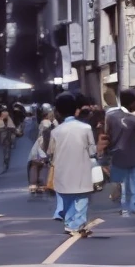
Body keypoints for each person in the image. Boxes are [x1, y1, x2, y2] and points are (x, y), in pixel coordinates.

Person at [49, 93, 98, 237]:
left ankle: (69, 223)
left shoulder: (55, 131)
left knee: (67, 196)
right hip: (82, 167)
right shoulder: (86, 128)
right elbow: (92, 150)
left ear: (58, 111)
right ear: (76, 110)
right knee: (82, 197)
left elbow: (51, 152)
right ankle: (78, 223)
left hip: (62, 169)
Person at [100, 88, 135, 217]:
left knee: (122, 182)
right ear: (132, 103)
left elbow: (107, 134)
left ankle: (124, 208)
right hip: (133, 154)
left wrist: (107, 153)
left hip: (117, 154)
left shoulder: (110, 116)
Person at [27, 106, 54, 195]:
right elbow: (46, 134)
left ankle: (34, 184)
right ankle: (38, 184)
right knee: (39, 164)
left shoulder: (45, 122)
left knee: (36, 164)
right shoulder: (47, 122)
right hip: (44, 144)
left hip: (41, 143)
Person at [0, 105, 16, 171]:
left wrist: (10, 130)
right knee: (1, 153)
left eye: (6, 111)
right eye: (4, 111)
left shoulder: (9, 120)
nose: (5, 113)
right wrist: (3, 129)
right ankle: (2, 165)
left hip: (8, 139)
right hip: (0, 140)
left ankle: (6, 164)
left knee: (7, 152)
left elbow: (13, 129)